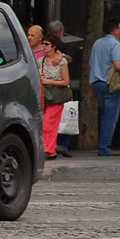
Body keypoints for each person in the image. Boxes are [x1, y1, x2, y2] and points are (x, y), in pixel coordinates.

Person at [88, 17, 120, 156]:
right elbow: (117, 65)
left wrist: (91, 86)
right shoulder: (115, 44)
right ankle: (104, 147)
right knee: (110, 118)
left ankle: (103, 145)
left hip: (97, 84)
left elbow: (91, 66)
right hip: (110, 85)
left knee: (104, 115)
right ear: (115, 30)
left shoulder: (97, 43)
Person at [37, 32, 70, 159]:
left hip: (56, 96)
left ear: (54, 46)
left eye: (46, 44)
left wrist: (49, 81)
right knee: (47, 123)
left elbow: (66, 81)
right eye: (43, 44)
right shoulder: (41, 61)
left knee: (48, 122)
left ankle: (48, 149)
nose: (44, 46)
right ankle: (50, 150)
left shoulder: (62, 62)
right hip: (44, 96)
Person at [48, 19, 77, 156]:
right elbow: (70, 59)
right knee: (64, 116)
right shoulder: (62, 45)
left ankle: (53, 145)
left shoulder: (46, 44)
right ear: (60, 32)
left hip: (49, 87)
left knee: (54, 118)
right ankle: (60, 145)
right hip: (58, 87)